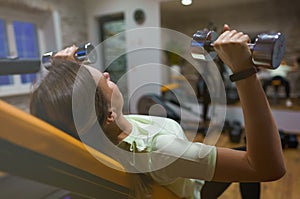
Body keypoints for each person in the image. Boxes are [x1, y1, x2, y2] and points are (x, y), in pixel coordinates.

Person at [30, 24, 286, 199]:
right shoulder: (158, 150)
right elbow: (265, 167)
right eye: (105, 81)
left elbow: (70, 110)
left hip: (178, 173)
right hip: (193, 189)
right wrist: (244, 71)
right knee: (245, 158)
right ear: (109, 115)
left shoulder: (88, 137)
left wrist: (66, 75)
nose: (108, 74)